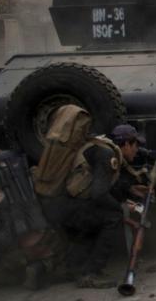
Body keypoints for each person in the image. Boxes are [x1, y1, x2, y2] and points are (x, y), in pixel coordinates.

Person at [37, 106, 126, 289]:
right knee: (112, 216)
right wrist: (119, 207)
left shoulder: (84, 146)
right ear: (127, 144)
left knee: (92, 218)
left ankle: (70, 267)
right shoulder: (106, 153)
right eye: (136, 145)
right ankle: (91, 273)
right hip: (63, 208)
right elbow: (99, 193)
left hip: (50, 203)